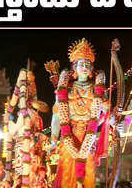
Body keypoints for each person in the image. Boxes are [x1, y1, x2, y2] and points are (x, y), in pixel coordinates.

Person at [48, 39, 109, 188]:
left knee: (88, 172)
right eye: (81, 64)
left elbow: (104, 115)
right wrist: (54, 138)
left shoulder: (98, 90)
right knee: (67, 172)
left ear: (91, 69)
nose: (84, 67)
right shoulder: (66, 90)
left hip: (89, 134)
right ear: (74, 67)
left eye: (87, 64)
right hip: (70, 134)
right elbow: (57, 115)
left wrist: (111, 114)